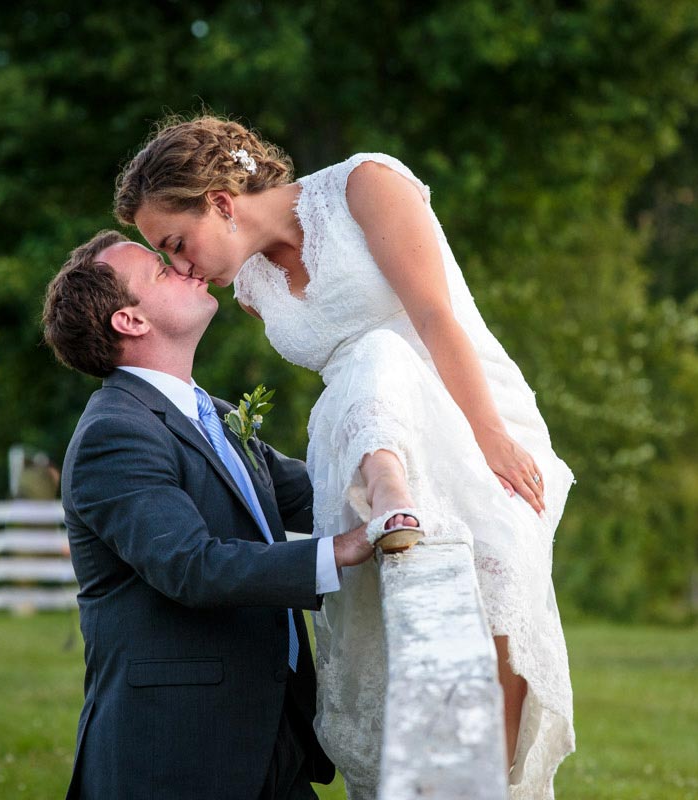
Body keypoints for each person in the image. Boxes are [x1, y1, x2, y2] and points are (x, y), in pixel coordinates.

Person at [113, 116, 577, 799]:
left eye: (176, 244)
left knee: (501, 592)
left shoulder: (366, 185)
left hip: (469, 408)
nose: (181, 267)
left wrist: (492, 438)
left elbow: (433, 317)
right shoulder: (251, 289)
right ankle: (387, 489)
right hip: (366, 437)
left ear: (219, 201)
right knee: (361, 366)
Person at [42, 230, 375, 800]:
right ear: (131, 322)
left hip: (274, 733)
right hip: (179, 753)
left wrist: (410, 467)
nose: (187, 268)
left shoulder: (214, 415)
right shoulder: (114, 434)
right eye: (159, 270)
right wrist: (341, 550)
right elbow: (191, 567)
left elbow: (321, 489)